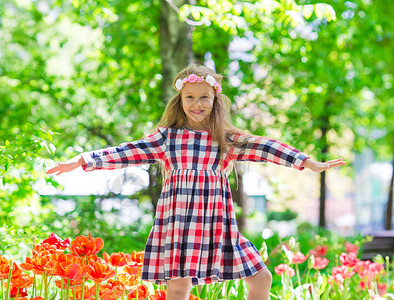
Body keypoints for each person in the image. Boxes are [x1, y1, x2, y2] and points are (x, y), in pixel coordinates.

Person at [46, 64, 346, 300]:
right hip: (178, 222)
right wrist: (84, 159)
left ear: (215, 100)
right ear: (180, 100)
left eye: (204, 97)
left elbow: (266, 147)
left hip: (217, 223)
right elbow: (128, 151)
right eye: (190, 97)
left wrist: (307, 162)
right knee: (177, 289)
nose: (197, 103)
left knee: (262, 277)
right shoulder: (166, 138)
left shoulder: (225, 139)